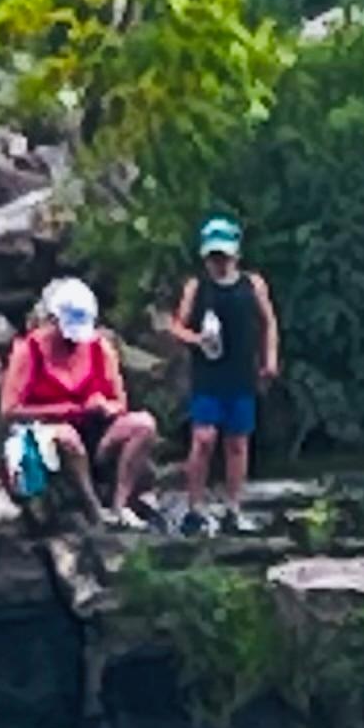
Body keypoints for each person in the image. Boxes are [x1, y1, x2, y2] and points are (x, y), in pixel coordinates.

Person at [0, 278, 154, 518]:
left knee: (143, 424)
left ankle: (120, 505)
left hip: (94, 430)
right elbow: (9, 410)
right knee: (67, 436)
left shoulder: (99, 347)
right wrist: (64, 409)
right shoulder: (28, 350)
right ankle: (92, 508)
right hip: (47, 432)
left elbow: (119, 403)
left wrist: (104, 405)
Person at [161, 215, 278, 532]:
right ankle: (195, 506)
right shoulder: (197, 287)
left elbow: (268, 323)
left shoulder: (252, 284)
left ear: (235, 254)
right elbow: (176, 327)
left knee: (237, 442)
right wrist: (197, 340)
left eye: (223, 256)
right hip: (208, 373)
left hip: (241, 371)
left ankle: (233, 507)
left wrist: (269, 359)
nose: (219, 263)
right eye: (213, 257)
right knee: (203, 439)